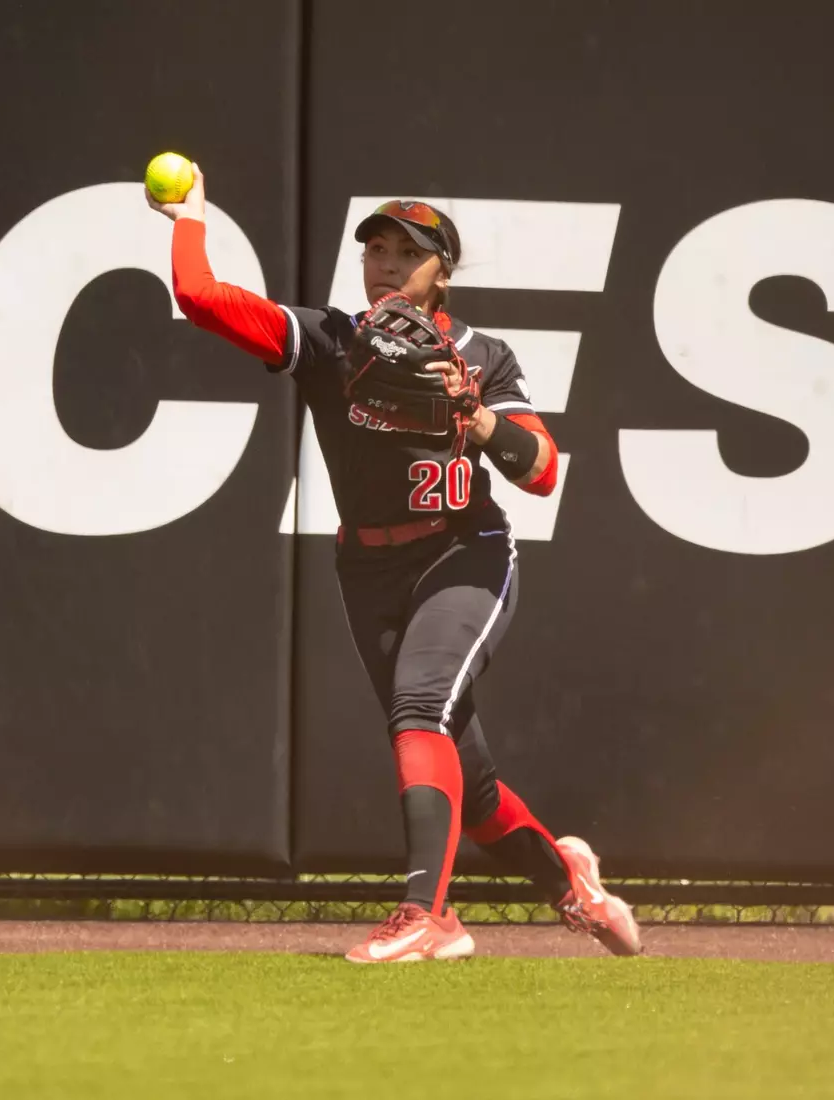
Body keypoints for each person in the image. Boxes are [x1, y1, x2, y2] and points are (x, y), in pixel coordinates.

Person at [147, 165, 641, 963]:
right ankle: (572, 884)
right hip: (368, 571)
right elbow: (202, 297)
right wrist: (190, 216)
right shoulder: (329, 340)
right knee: (470, 790)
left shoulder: (482, 355)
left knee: (419, 708)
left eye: (404, 251)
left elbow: (543, 468)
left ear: (441, 270)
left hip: (464, 551)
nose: (383, 263)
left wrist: (474, 416)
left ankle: (428, 916)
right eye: (373, 247)